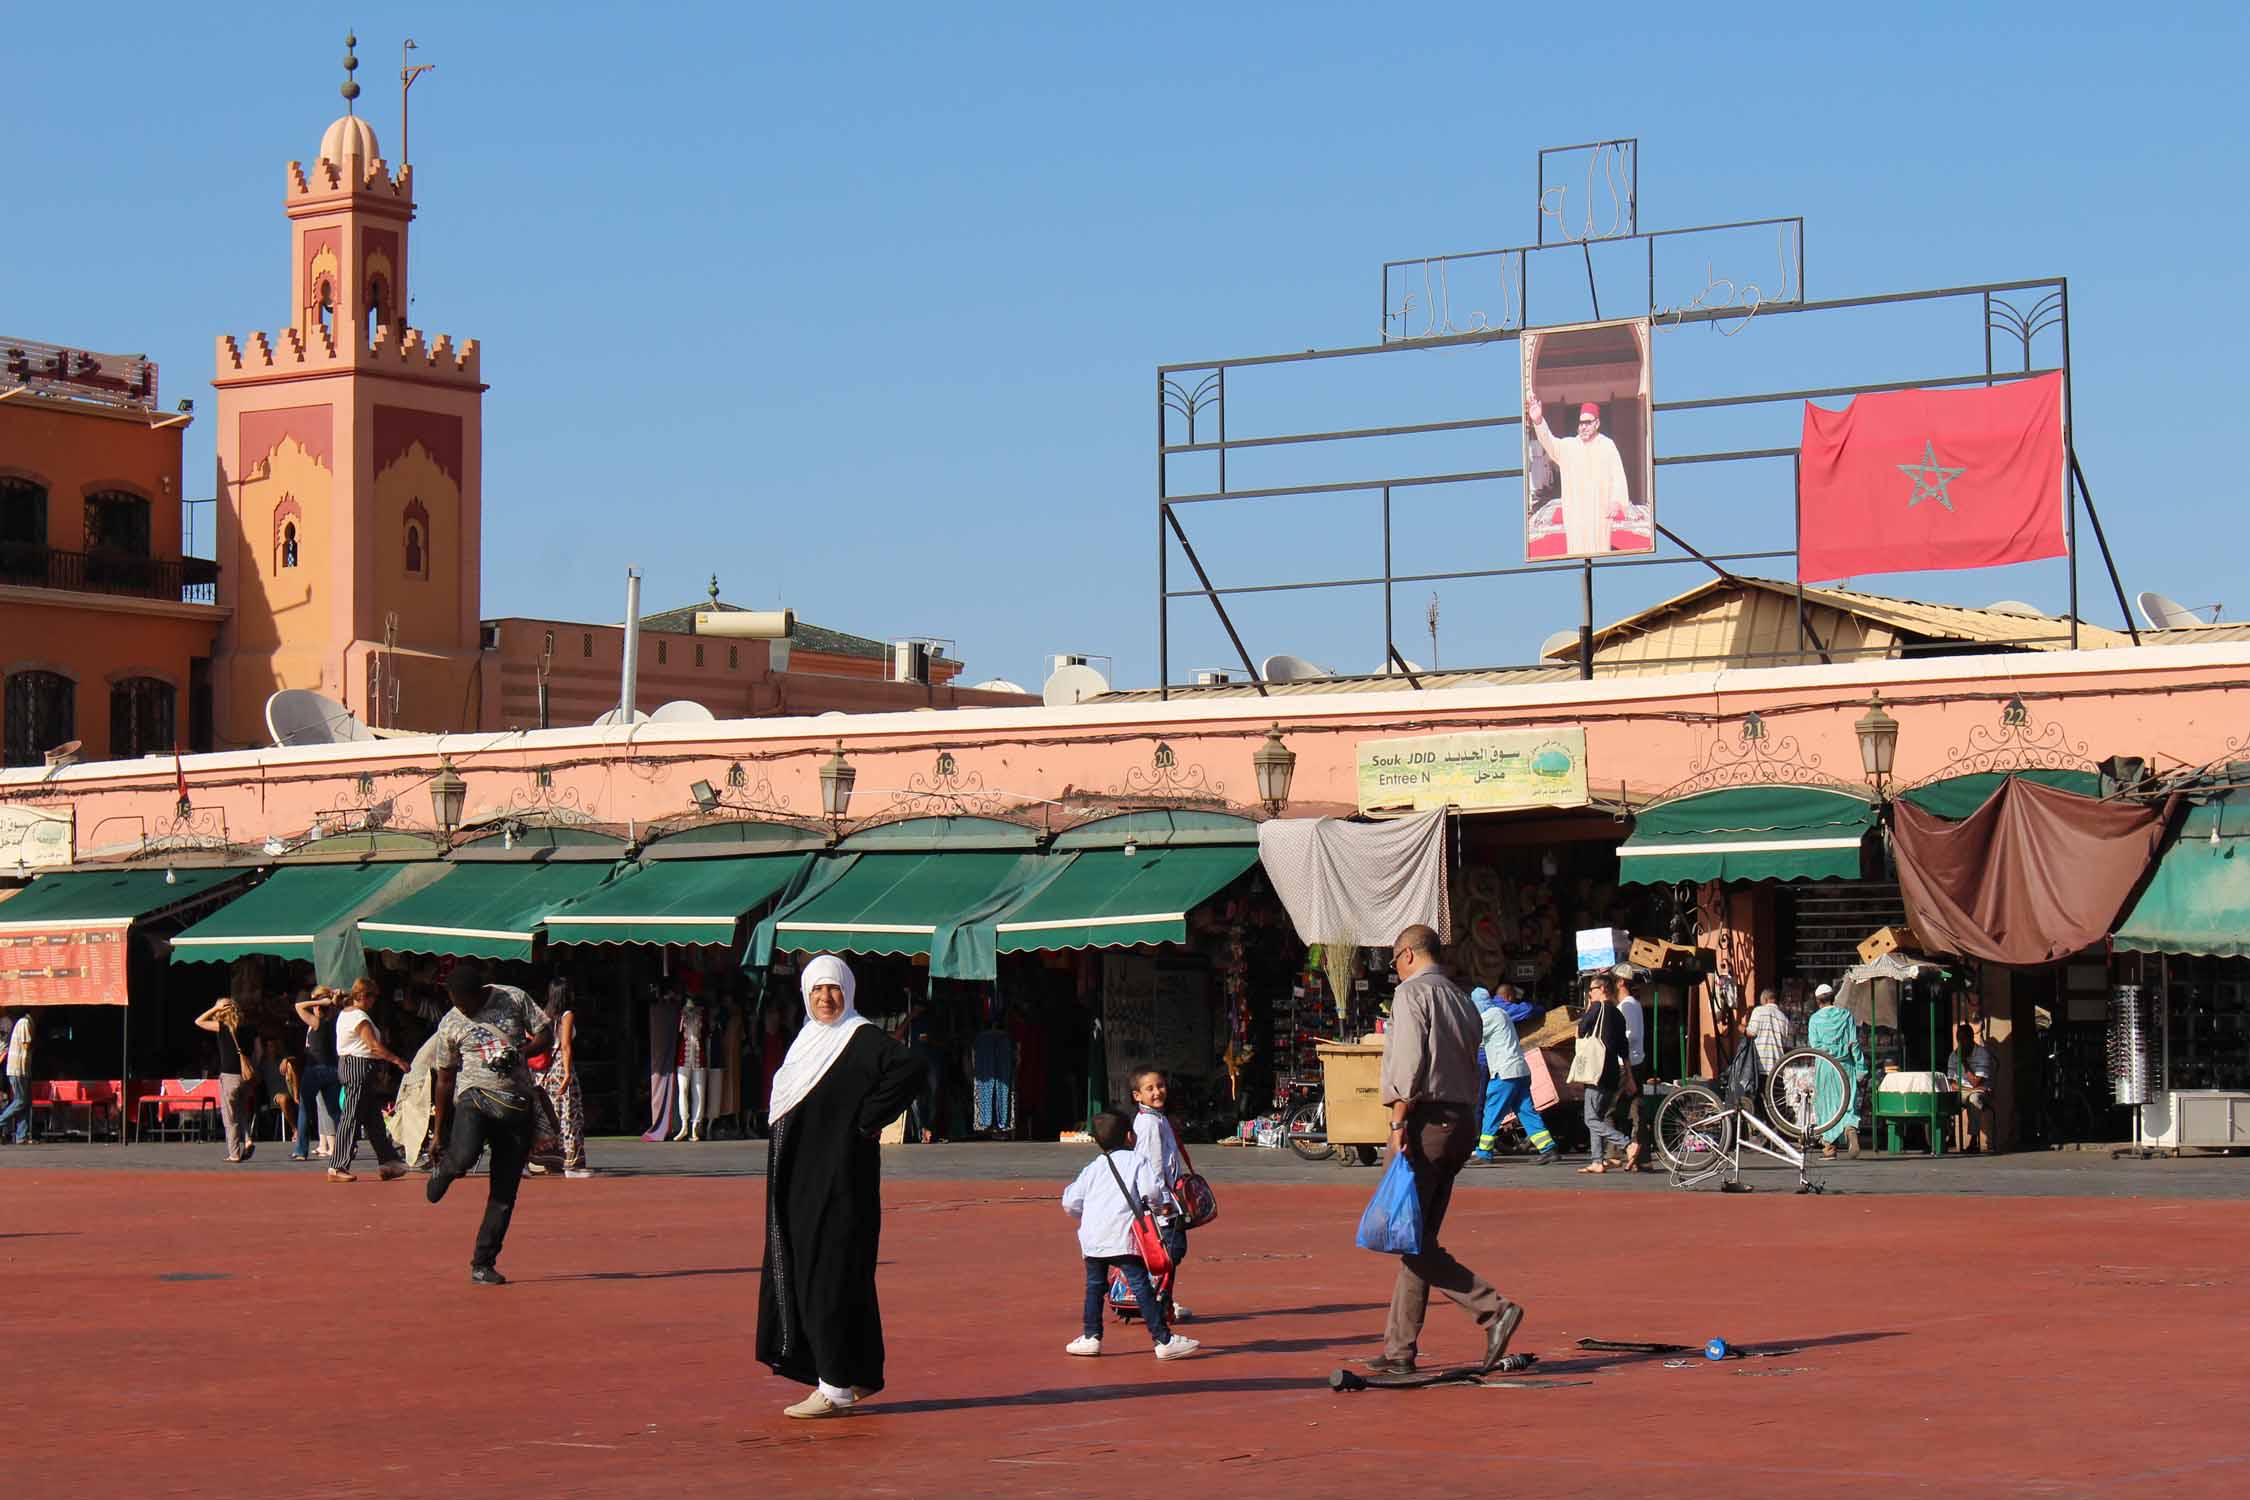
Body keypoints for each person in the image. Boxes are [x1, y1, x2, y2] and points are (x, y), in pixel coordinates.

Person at [756, 955, 927, 1419]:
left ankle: (832, 1385)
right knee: (836, 1273)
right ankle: (858, 1374)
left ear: (847, 991)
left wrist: (868, 1120)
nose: (826, 998)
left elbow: (910, 1068)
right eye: (817, 991)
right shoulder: (808, 1041)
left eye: (833, 989)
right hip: (803, 1180)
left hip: (839, 1180)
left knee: (827, 1274)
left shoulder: (862, 1037)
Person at [1364, 924, 1523, 1377]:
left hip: (1424, 1120)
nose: (1394, 970)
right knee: (1419, 1238)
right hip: (1460, 1120)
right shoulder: (1463, 998)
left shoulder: (1412, 995)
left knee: (1408, 1236)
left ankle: (1493, 1309)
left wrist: (1397, 1121)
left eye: (1393, 961)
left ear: (1409, 955)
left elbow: (1410, 1062)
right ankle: (1399, 1348)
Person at [425, 963, 551, 1282]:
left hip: (515, 1103)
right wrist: (438, 1134)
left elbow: (545, 1034)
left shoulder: (514, 998)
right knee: (465, 1155)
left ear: (481, 992)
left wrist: (521, 1051)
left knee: (504, 1192)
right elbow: (444, 1078)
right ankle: (449, 1168)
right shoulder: (451, 1023)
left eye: (465, 1001)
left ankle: (483, 1263)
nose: (461, 1008)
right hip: (474, 1097)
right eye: (455, 1001)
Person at [1062, 1110, 1200, 1362]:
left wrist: (1088, 1215)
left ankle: (1091, 1337)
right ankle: (1163, 1339)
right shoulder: (1137, 1161)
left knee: (1094, 1287)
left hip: (1093, 1239)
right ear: (1130, 1136)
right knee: (1141, 1287)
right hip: (1123, 1236)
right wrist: (1161, 1208)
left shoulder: (1092, 1168)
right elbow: (1152, 1192)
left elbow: (1070, 1201)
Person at [1526, 393, 1637, 556]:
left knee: (1600, 553)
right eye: (1581, 423)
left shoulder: (1607, 446)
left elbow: (1618, 475)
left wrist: (1615, 501)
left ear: (1597, 423)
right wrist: (1538, 421)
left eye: (1588, 423)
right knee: (1578, 555)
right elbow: (1549, 441)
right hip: (1576, 514)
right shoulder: (1569, 447)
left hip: (1600, 513)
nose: (1583, 427)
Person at [328, 980, 411, 1183]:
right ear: (364, 995)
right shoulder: (359, 1017)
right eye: (373, 996)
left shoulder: (346, 1014)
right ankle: (337, 1165)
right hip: (358, 1067)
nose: (374, 1001)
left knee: (373, 1119)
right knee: (351, 1116)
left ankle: (389, 1161)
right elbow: (373, 1046)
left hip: (355, 1066)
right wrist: (397, 1060)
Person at [1129, 1065, 1192, 1323]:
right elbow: (1152, 1166)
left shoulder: (1157, 1118)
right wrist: (1160, 1203)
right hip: (1162, 1203)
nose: (1158, 1092)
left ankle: (1163, 1298)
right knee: (1170, 1251)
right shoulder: (1149, 1124)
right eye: (1150, 1088)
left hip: (1165, 1199)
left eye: (1161, 1086)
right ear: (1137, 1096)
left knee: (1169, 1252)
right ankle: (1158, 1300)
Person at [1470, 986, 1556, 1165]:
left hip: (1505, 1072)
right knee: (1525, 1111)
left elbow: (1471, 1034)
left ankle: (1483, 1152)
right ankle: (1548, 1148)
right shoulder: (1501, 1013)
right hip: (1520, 1070)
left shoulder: (1489, 1016)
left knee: (1492, 1110)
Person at [530, 981, 592, 1178]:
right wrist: (566, 1074)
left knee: (548, 1117)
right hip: (559, 1067)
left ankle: (547, 1160)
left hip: (543, 1071)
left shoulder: (543, 1014)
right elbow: (566, 1046)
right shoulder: (567, 1015)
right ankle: (571, 1162)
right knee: (569, 1115)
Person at [1576, 974, 1633, 1175]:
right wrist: (1630, 1077)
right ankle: (1597, 1161)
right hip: (1612, 1073)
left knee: (1590, 1119)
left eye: (1591, 990)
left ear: (1602, 990)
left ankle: (1626, 1144)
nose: (1589, 993)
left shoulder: (1597, 1008)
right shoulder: (1618, 1015)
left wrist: (1589, 1007)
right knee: (1598, 1117)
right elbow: (1623, 1048)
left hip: (1595, 1072)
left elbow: (1581, 1029)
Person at [193, 997, 262, 1163]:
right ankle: (248, 1139)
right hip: (246, 1076)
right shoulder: (251, 1029)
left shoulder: (222, 1027)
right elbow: (259, 1052)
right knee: (242, 1111)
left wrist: (214, 1008)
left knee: (229, 1117)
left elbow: (199, 1021)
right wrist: (252, 1066)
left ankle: (234, 1153)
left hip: (229, 1077)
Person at [1805, 983, 1865, 1160]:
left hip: (1826, 1066)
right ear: (1833, 997)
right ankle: (1849, 1128)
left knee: (1826, 1105)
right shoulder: (1846, 1015)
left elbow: (1815, 1045)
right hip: (1845, 1066)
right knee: (1847, 1101)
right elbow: (1854, 1043)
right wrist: (1861, 1068)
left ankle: (1829, 1148)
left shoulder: (1815, 1019)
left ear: (1818, 1001)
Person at [292, 987, 343, 1162]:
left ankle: (300, 1150)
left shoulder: (317, 1023)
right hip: (333, 1069)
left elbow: (299, 1006)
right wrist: (333, 999)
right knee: (334, 1111)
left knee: (305, 1109)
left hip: (315, 1069)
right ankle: (345, 1147)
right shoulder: (336, 1020)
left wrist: (319, 1001)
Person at [1609, 966, 1651, 1171]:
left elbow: (1630, 1036)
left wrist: (1612, 1042)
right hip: (1635, 1061)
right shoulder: (1633, 1005)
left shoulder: (1627, 1006)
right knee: (1635, 1109)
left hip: (1626, 1064)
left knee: (1608, 1108)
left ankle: (1615, 1153)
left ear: (1620, 983)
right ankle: (1641, 1157)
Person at [1947, 1023, 1996, 1153]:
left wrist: (1964, 1063)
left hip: (1981, 1092)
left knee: (1974, 1099)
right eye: (1959, 1040)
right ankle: (1944, 1137)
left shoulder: (1982, 1053)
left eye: (1964, 1040)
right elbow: (1950, 1082)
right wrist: (1967, 1090)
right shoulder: (1953, 1055)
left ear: (1971, 1039)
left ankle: (1974, 1139)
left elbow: (1976, 1083)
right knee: (1943, 1099)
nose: (1961, 1044)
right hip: (1963, 1091)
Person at [1746, 986, 1794, 1081]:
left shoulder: (1758, 1011)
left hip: (1760, 1065)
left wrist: (1741, 1027)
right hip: (1777, 1067)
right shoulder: (1784, 1018)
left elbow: (1751, 1033)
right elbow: (1787, 1044)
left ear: (1765, 999)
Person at [0, 1010, 32, 1145]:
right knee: (20, 1101)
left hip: (18, 1067)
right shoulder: (24, 1022)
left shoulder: (20, 1022)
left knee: (24, 1102)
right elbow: (25, 1045)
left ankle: (21, 1135)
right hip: (18, 1067)